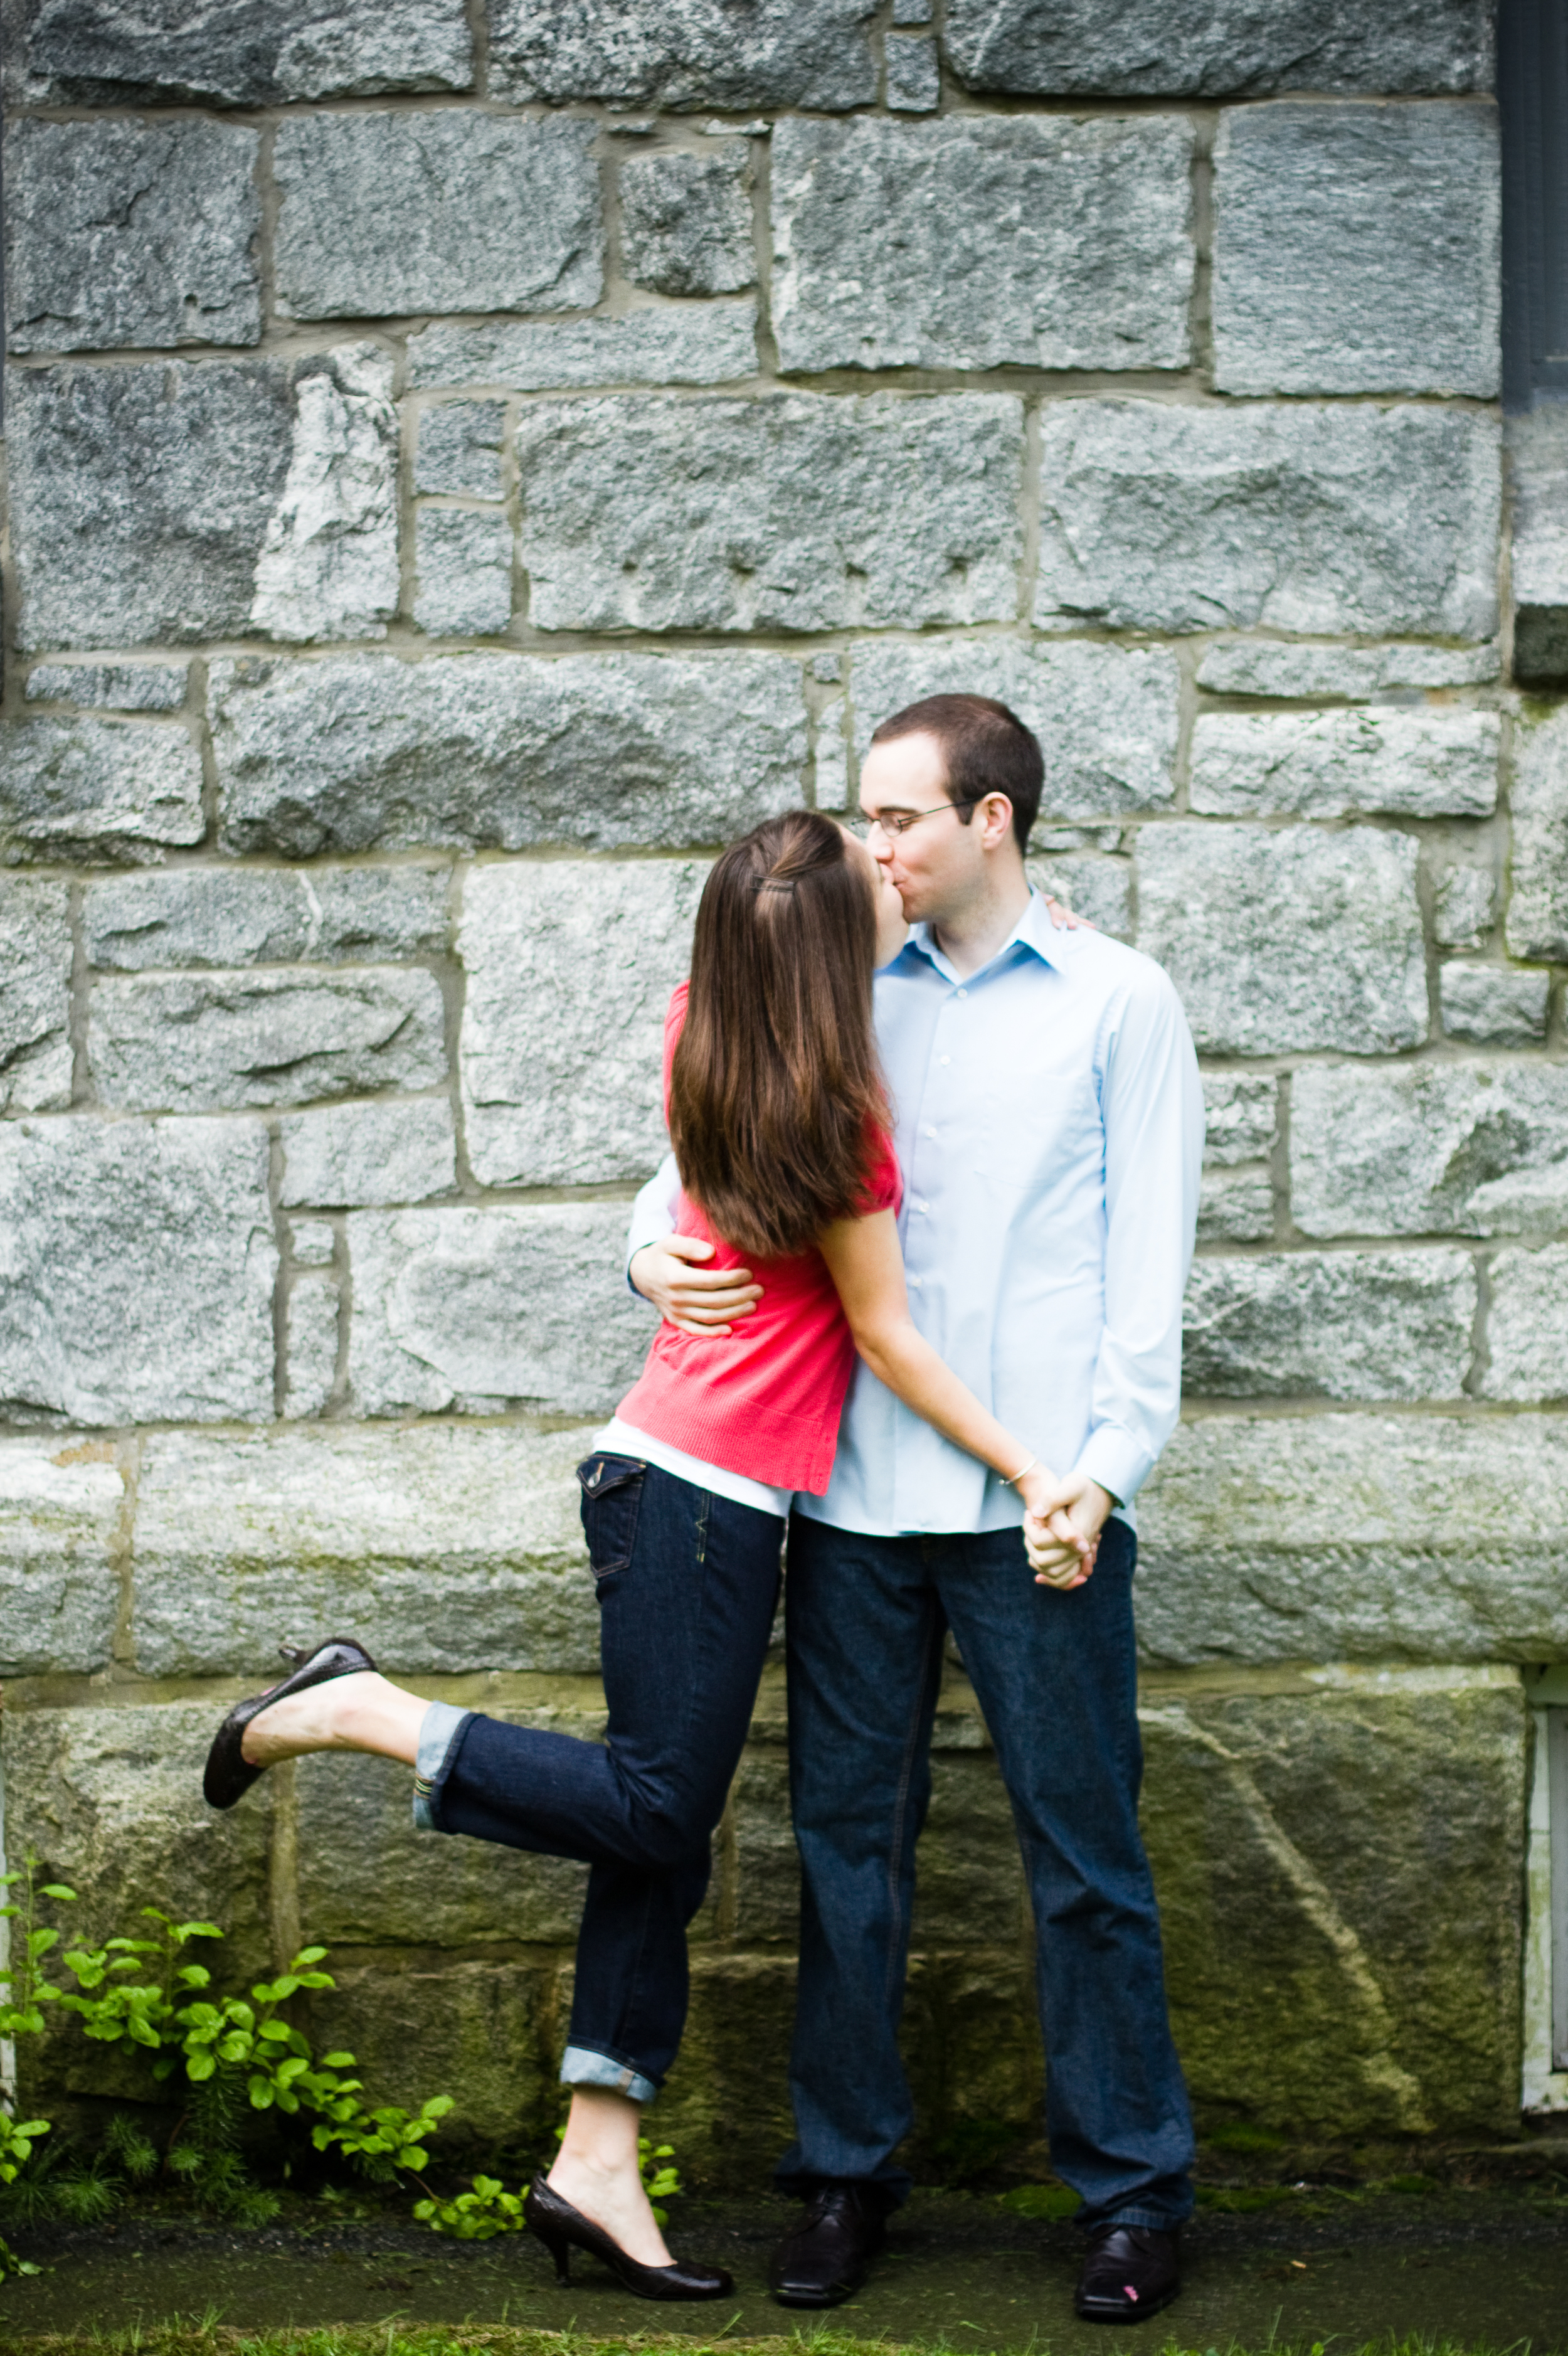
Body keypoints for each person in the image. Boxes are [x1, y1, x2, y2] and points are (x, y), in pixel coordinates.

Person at [201, 807, 1094, 2305]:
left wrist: (639, 1245)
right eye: (865, 873)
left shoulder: (708, 1026)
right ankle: (357, 1710)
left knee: (650, 1836)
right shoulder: (839, 1126)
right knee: (659, 1798)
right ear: (825, 962)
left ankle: (595, 2165)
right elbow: (879, 1331)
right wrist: (1028, 1469)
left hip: (678, 1481)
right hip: (698, 1495)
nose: (890, 872)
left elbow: (685, 1178)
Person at [627, 697, 1204, 2327]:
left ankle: (1131, 2191)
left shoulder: (1113, 999)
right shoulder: (834, 980)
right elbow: (689, 1139)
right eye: (865, 816)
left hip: (1046, 1507)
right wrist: (635, 1249)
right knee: (845, 1854)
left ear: (992, 821)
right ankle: (840, 2175)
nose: (869, 847)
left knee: (1085, 1857)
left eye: (900, 819)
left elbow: (1146, 1270)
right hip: (852, 1498)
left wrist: (1103, 1464)